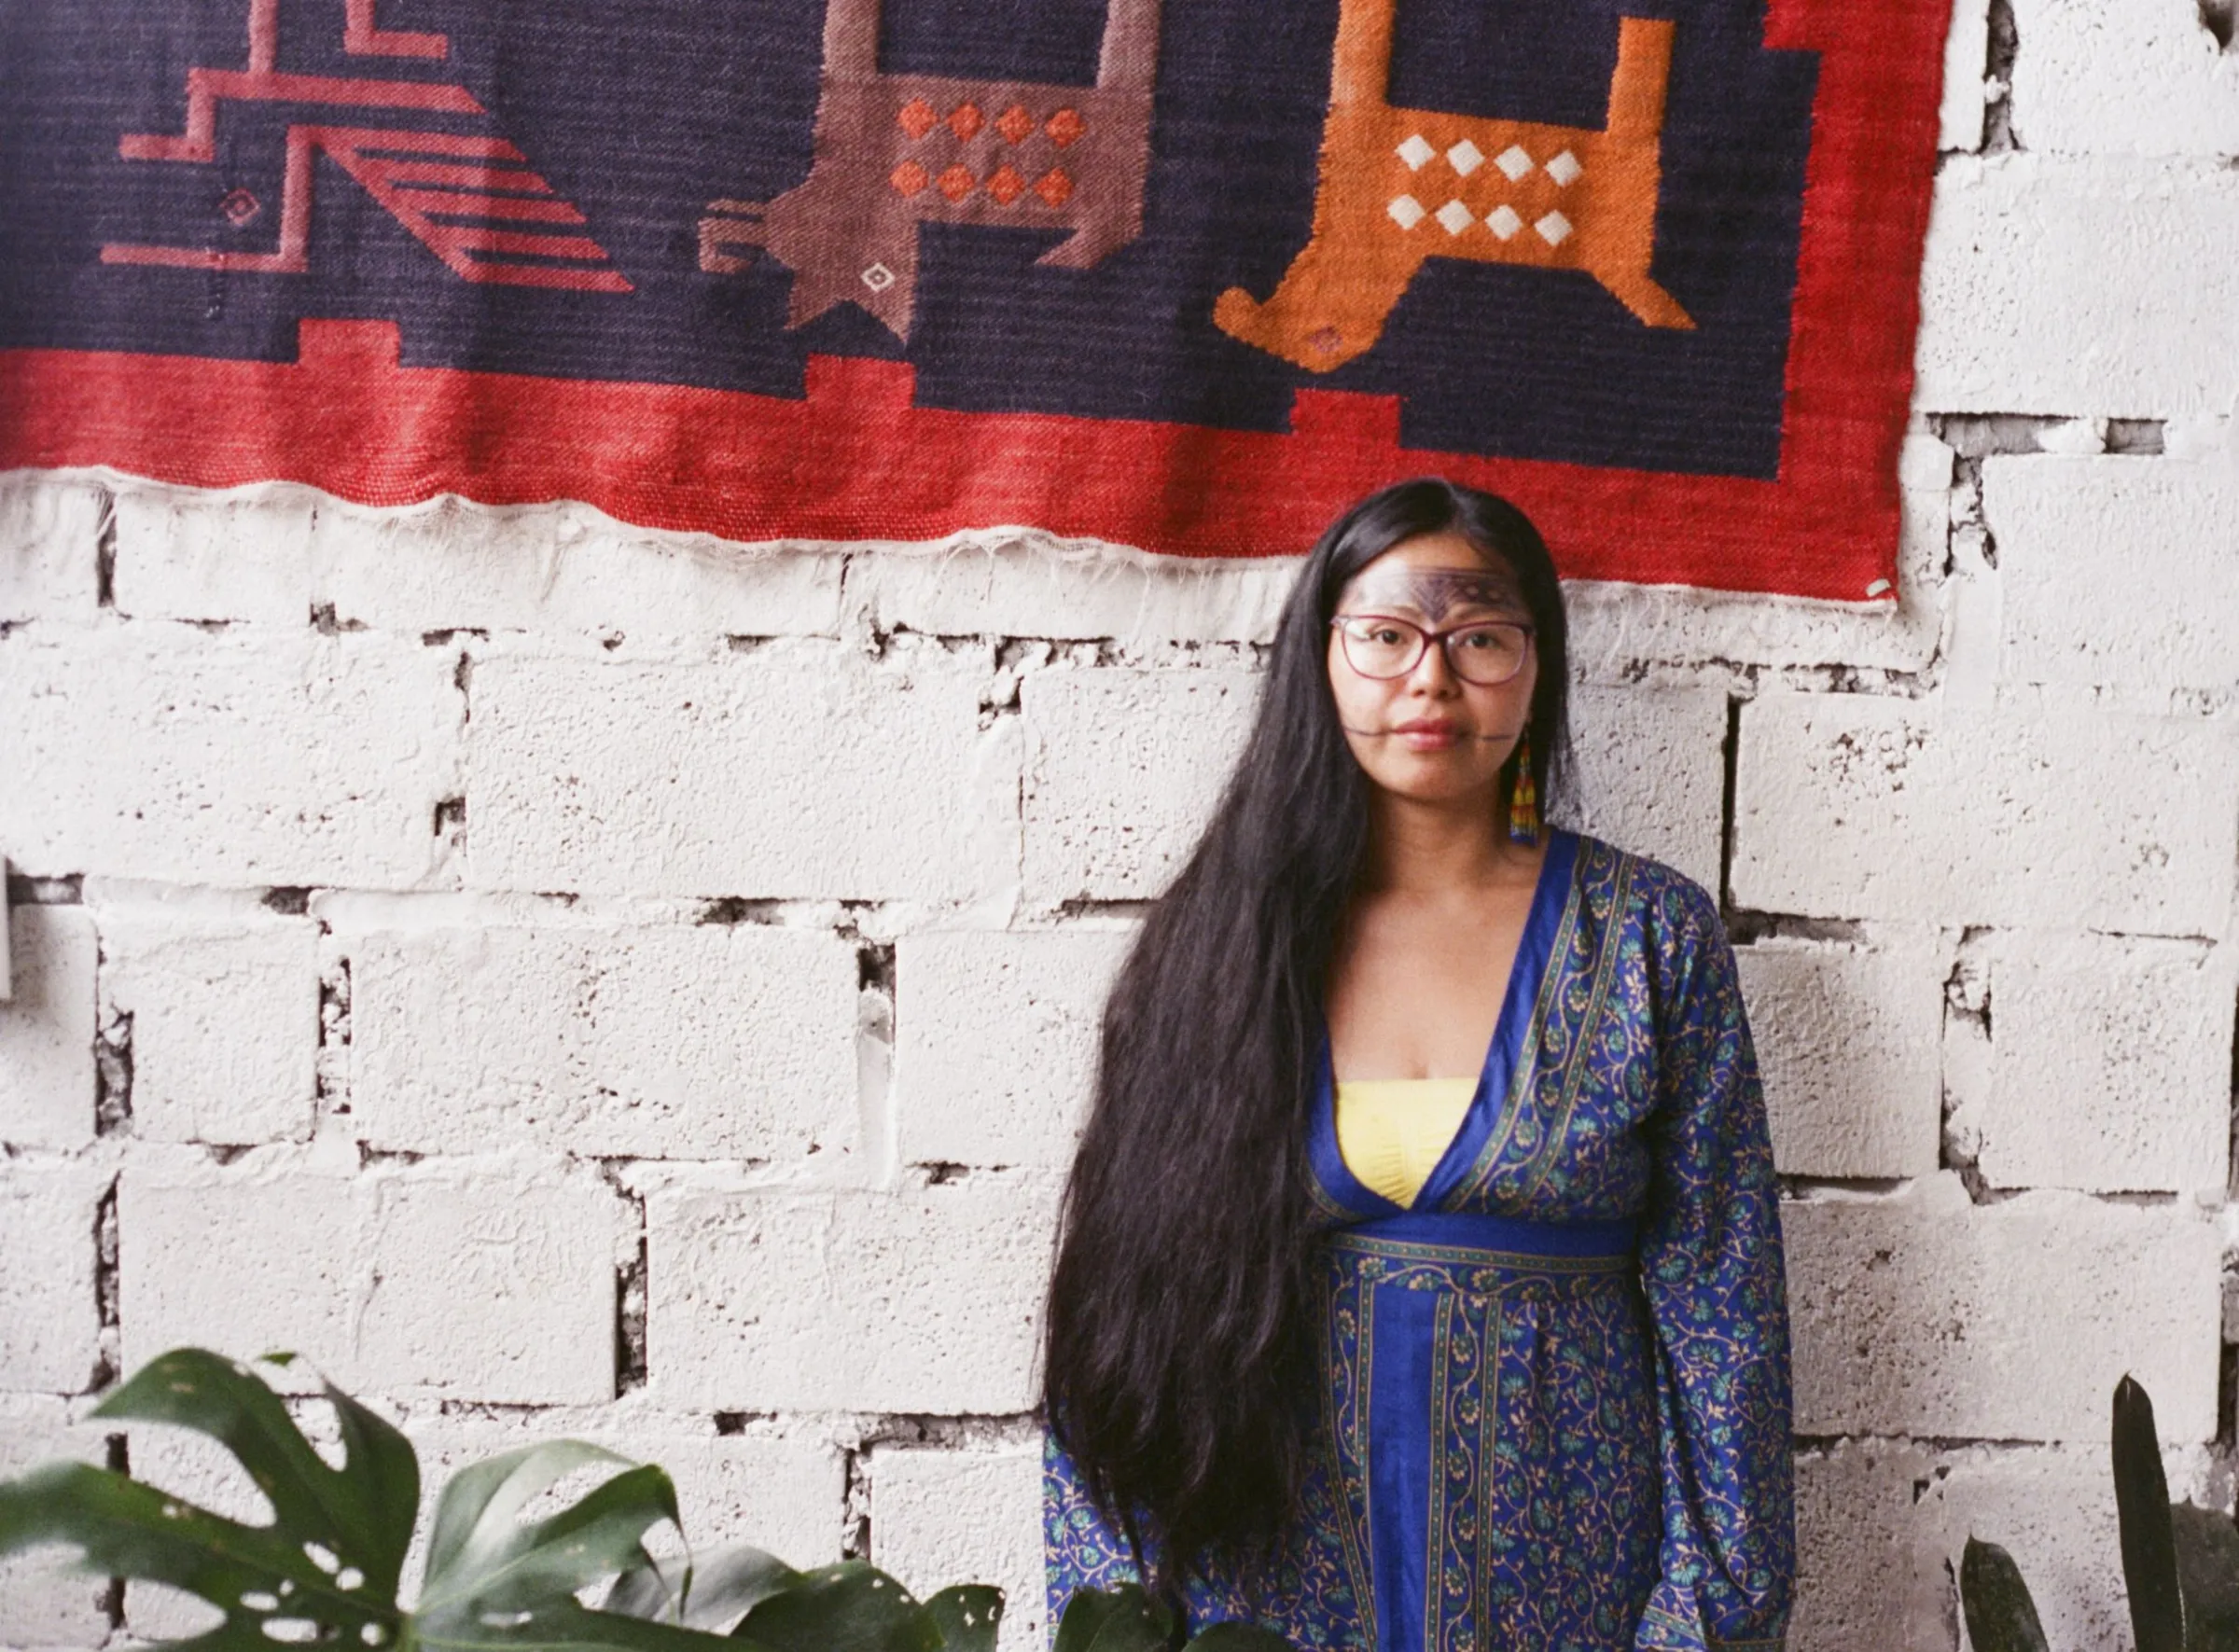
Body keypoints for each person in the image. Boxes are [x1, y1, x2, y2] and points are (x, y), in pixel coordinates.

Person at [1038, 479, 1794, 1651]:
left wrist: (1702, 1625)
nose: (1431, 678)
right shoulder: (1217, 948)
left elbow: (1724, 1319)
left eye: (1480, 637)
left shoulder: (1649, 938)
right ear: (1320, 658)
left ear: (1537, 666)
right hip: (1261, 1603)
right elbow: (1114, 1339)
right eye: (1387, 636)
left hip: (1575, 1606)